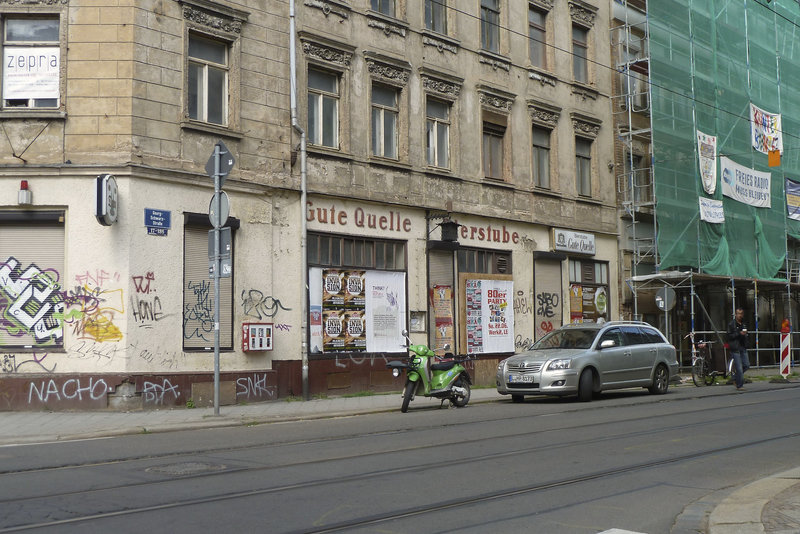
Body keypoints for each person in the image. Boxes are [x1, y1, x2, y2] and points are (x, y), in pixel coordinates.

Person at [727, 307, 750, 390]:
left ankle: (735, 377)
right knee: (739, 368)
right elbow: (729, 336)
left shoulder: (744, 323)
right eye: (738, 314)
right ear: (735, 314)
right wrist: (739, 333)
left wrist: (746, 335)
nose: (740, 315)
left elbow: (747, 333)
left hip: (743, 346)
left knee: (746, 365)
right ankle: (739, 385)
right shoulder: (731, 324)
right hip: (735, 347)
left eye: (741, 314)